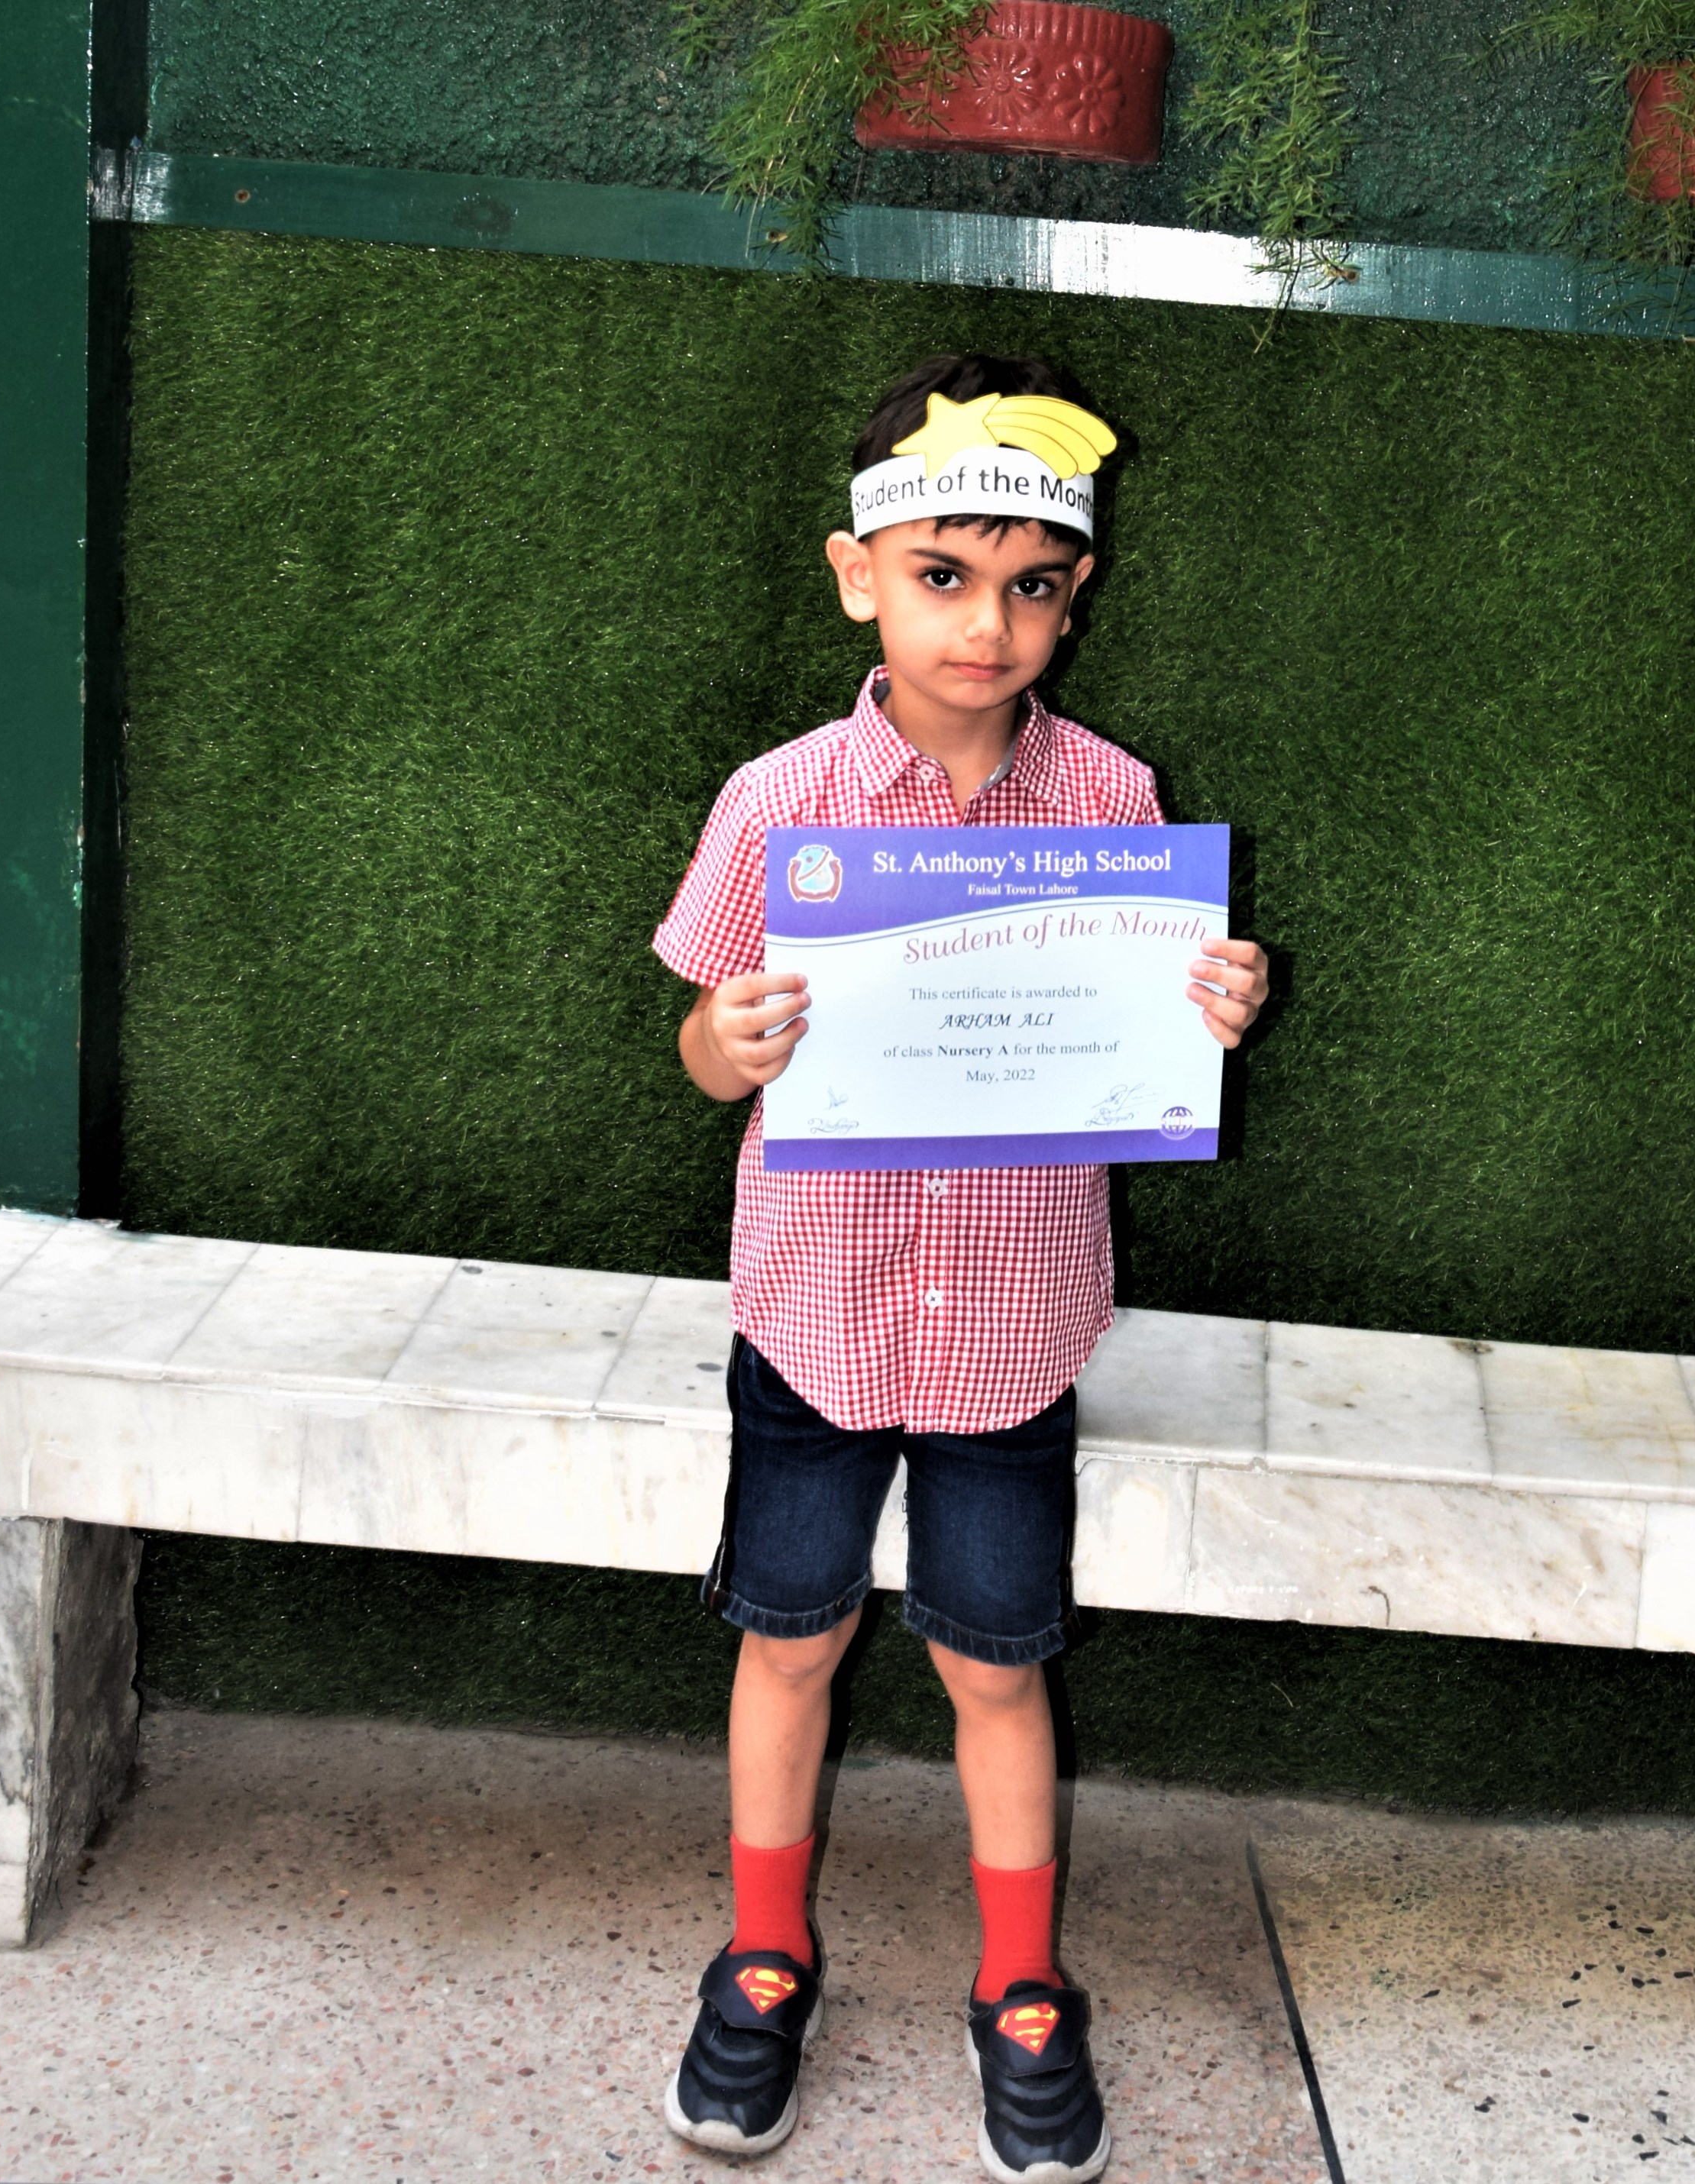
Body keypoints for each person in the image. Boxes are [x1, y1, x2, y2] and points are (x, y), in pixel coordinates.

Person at [652, 351, 1269, 2183]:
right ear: (859, 575)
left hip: (1010, 1329)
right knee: (789, 1641)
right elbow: (699, 1047)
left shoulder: (1112, 796)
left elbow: (1146, 1040)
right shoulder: (778, 801)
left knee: (996, 1664)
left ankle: (1019, 1985)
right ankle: (763, 1955)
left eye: (1031, 584)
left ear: (1075, 595)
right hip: (814, 1314)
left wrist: (1208, 1003)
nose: (985, 624)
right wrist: (726, 1042)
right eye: (943, 574)